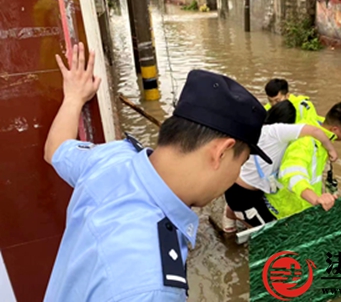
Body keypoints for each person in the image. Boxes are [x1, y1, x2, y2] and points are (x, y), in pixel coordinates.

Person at [43, 43, 271, 302]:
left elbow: (56, 150)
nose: (236, 177)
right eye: (240, 164)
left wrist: (73, 98)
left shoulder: (113, 157)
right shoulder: (152, 287)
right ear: (220, 152)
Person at [222, 100, 338, 231]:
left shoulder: (259, 128)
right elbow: (315, 131)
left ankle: (229, 226)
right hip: (245, 195)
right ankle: (235, 224)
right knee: (266, 232)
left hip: (235, 185)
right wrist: (331, 150)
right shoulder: (278, 131)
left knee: (238, 207)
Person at [265, 102, 341, 220]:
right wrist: (315, 199)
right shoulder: (305, 144)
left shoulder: (318, 129)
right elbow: (292, 174)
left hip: (303, 204)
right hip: (287, 209)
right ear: (335, 129)